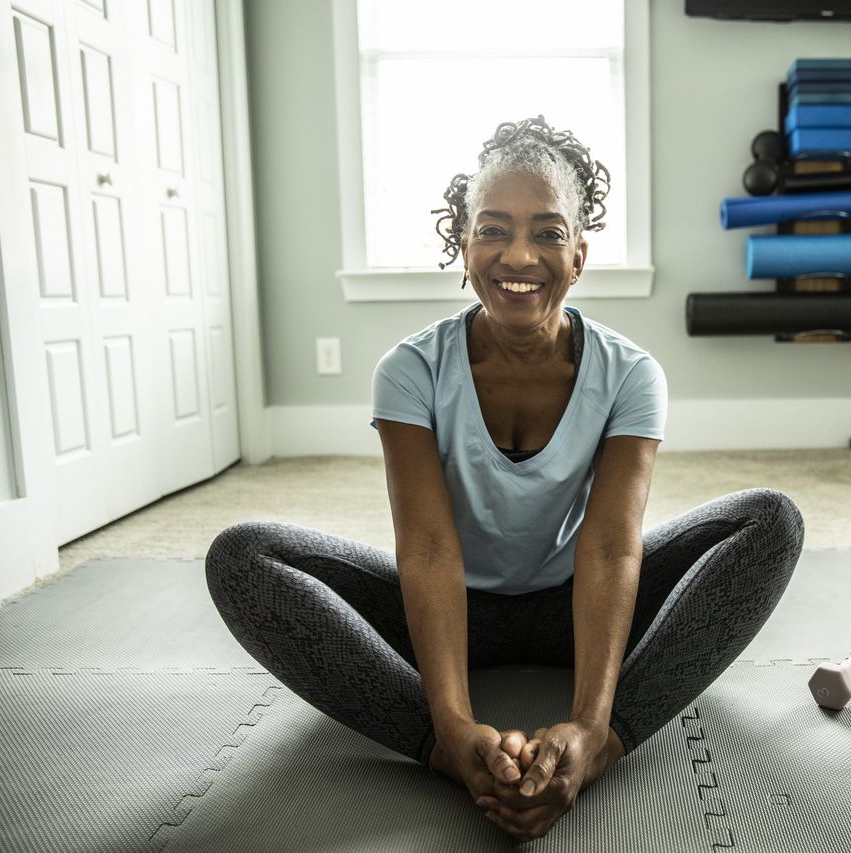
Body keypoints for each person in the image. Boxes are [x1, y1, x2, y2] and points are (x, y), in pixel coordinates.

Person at [205, 116, 804, 841]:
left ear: (579, 257)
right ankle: (444, 752)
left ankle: (607, 747)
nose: (519, 253)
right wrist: (454, 725)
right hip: (447, 606)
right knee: (242, 557)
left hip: (574, 601)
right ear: (464, 246)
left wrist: (588, 724)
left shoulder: (632, 375)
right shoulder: (410, 371)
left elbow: (612, 549)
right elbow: (428, 550)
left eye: (548, 233)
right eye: (494, 229)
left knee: (771, 519)